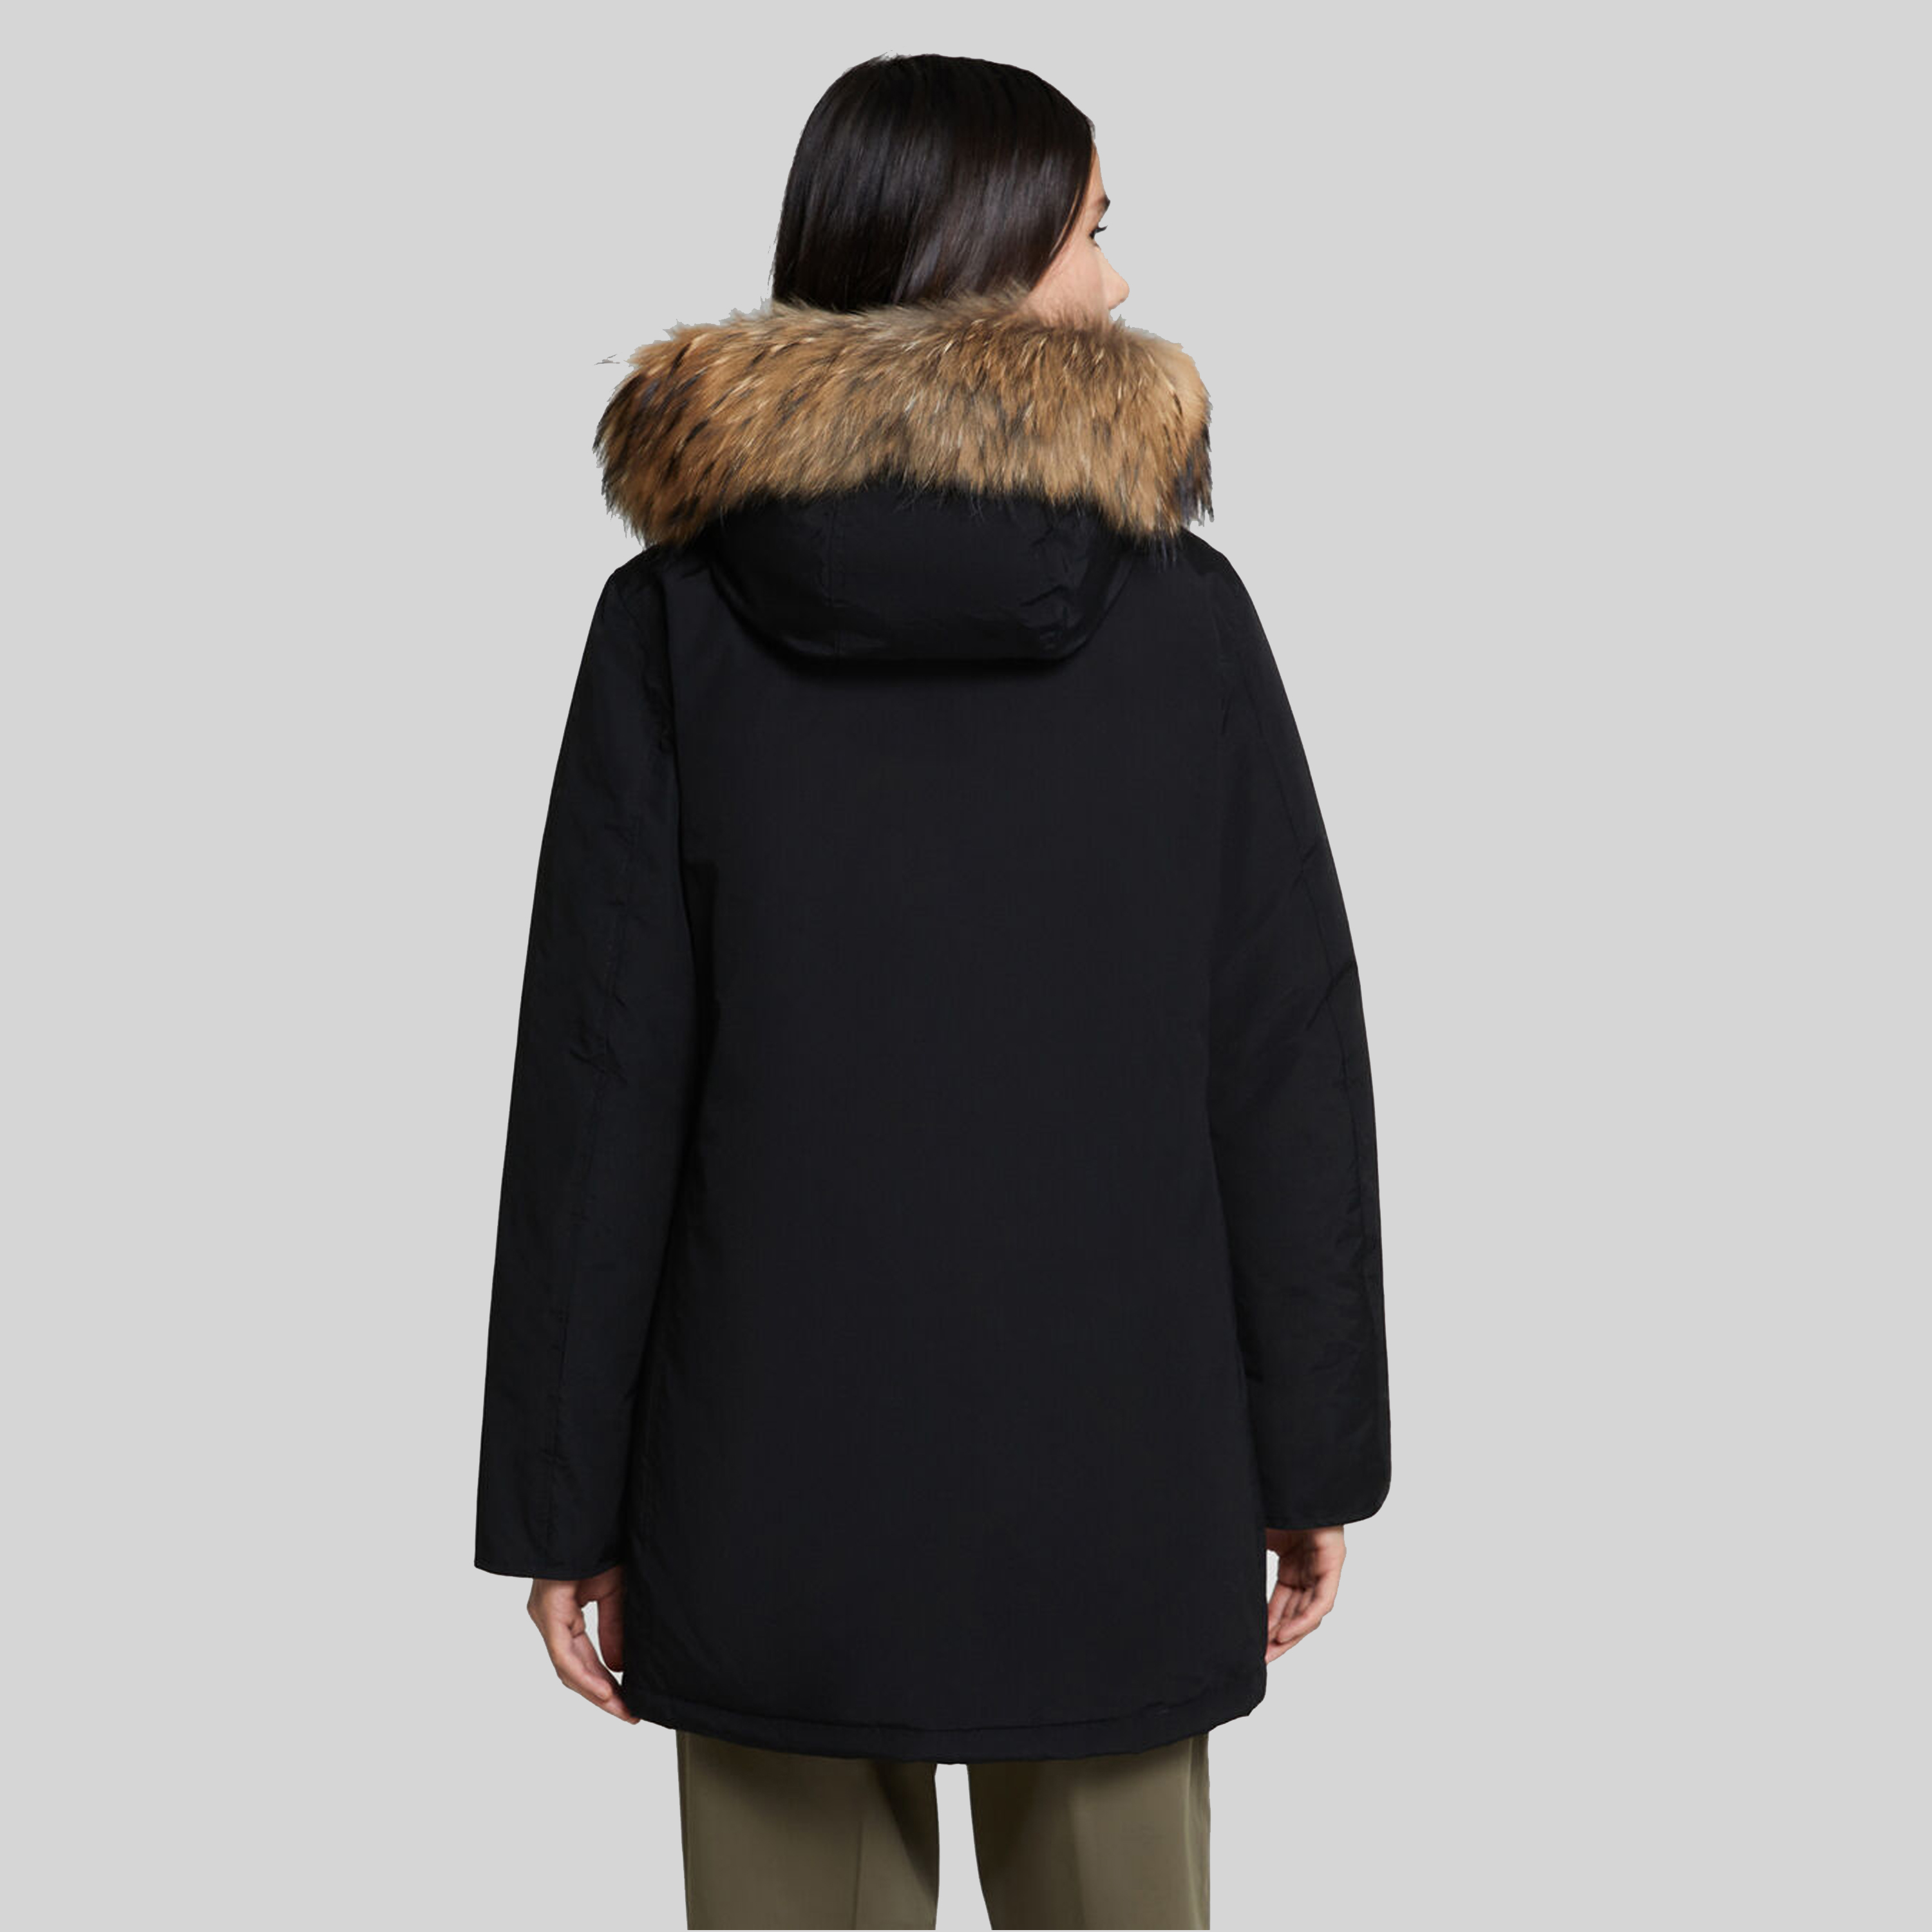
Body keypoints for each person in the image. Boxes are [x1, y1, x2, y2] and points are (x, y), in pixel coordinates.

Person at [475, 52, 1390, 1932]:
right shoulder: (1184, 620)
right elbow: (1281, 1061)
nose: (1121, 281)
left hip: (762, 1486)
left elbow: (604, 1080)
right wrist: (1311, 1452)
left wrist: (563, 1498)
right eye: (1092, 230)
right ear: (977, 252)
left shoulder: (675, 626)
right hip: (1122, 1474)